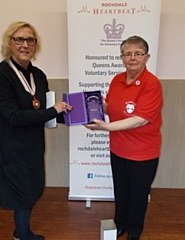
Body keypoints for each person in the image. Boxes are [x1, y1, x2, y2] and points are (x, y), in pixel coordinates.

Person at [0, 21, 72, 240]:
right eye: (19, 39)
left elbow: (44, 110)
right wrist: (53, 110)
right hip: (9, 147)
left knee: (32, 189)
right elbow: (13, 116)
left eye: (30, 40)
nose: (25, 44)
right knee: (21, 194)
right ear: (9, 43)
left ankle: (22, 231)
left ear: (35, 45)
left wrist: (78, 117)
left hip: (32, 145)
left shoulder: (38, 75)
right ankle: (22, 236)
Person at [85, 36, 163, 240]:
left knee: (138, 194)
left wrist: (106, 127)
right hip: (118, 149)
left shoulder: (151, 84)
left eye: (138, 53)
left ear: (147, 57)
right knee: (121, 191)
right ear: (121, 58)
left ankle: (135, 230)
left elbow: (141, 120)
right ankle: (120, 224)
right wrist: (90, 105)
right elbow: (111, 107)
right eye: (128, 54)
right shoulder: (117, 80)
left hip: (143, 152)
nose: (133, 58)